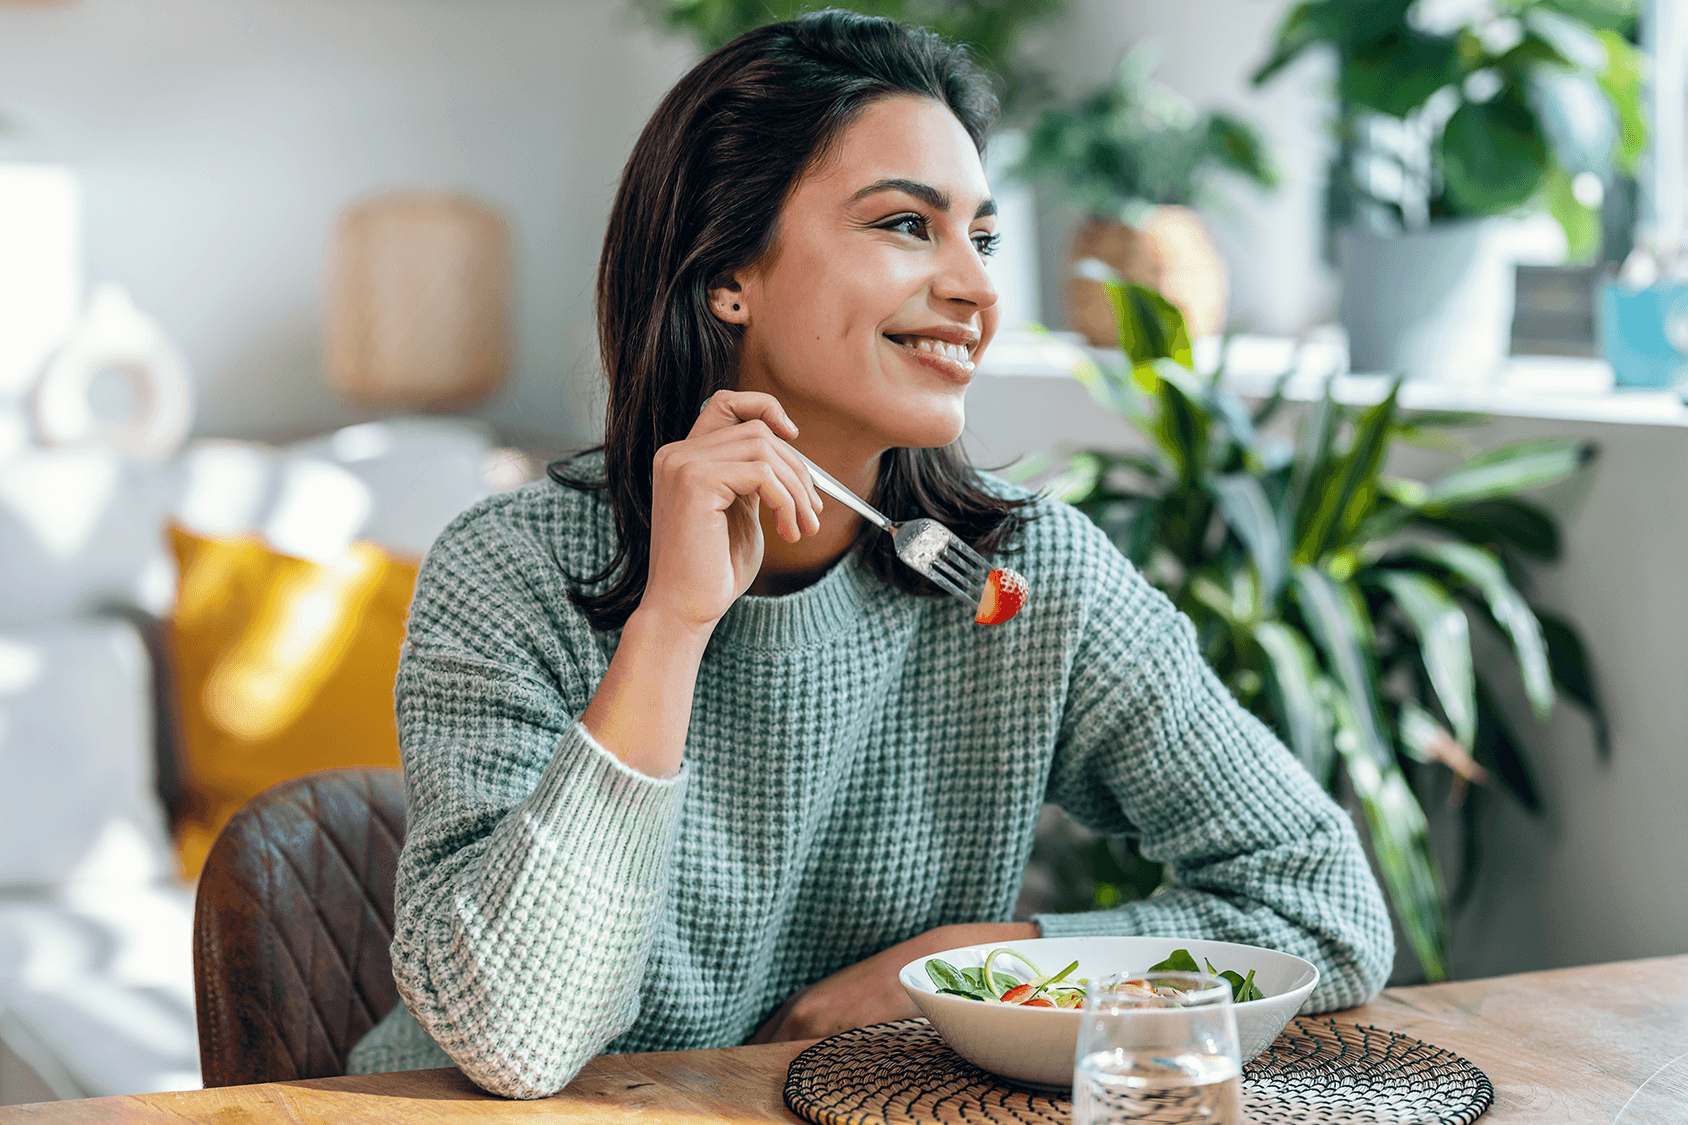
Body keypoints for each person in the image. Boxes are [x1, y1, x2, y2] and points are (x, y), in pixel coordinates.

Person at [347, 9, 1393, 1099]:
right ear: (728, 272)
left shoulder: (1024, 580)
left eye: (980, 239)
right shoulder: (506, 573)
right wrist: (669, 625)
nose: (978, 291)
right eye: (907, 225)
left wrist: (972, 968)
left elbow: (1321, 909)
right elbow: (515, 1039)